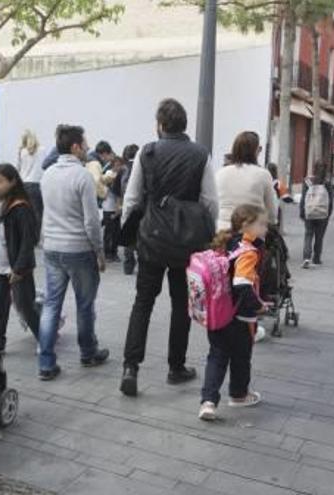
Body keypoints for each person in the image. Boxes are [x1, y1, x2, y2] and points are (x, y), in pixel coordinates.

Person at [119, 98, 219, 397]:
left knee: (143, 303)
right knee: (180, 305)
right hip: (186, 242)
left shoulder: (146, 152)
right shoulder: (201, 155)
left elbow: (132, 198)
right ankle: (176, 367)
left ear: (160, 125)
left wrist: (128, 234)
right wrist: (204, 232)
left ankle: (131, 368)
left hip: (152, 237)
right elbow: (211, 202)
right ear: (184, 124)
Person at [38, 124, 110, 380]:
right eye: (85, 144)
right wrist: (100, 252)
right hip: (79, 249)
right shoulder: (82, 177)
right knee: (84, 304)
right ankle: (88, 352)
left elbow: (47, 213)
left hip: (52, 248)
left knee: (51, 305)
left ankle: (46, 363)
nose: (88, 148)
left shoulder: (47, 175)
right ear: (75, 147)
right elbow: (91, 222)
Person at [198, 204, 267, 421]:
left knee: (216, 357)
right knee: (241, 357)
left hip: (216, 313)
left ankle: (208, 402)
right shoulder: (247, 251)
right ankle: (238, 395)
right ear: (246, 225)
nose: (265, 228)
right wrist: (258, 306)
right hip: (239, 317)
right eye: (262, 224)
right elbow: (241, 283)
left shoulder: (224, 243)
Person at [0, 164, 41, 352]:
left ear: (13, 181)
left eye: (0, 182)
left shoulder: (20, 207)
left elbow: (27, 241)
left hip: (17, 269)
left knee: (26, 307)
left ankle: (43, 338)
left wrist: (19, 269)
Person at [215, 132, 277, 230]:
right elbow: (271, 211)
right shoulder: (263, 174)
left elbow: (214, 203)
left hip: (222, 229)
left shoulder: (220, 173)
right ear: (255, 151)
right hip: (251, 230)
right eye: (259, 148)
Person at [299, 160, 333, 268]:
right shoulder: (327, 183)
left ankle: (306, 258)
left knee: (308, 234)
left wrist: (302, 211)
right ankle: (317, 258)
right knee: (319, 236)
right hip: (323, 214)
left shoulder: (308, 181)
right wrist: (329, 213)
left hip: (309, 212)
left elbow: (303, 198)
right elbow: (330, 200)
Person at [17, 130, 44, 233]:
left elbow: (18, 168)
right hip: (36, 185)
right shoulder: (42, 150)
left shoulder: (22, 151)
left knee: (25, 212)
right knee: (37, 213)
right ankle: (35, 236)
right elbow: (44, 166)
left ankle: (25, 235)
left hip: (23, 184)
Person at [120, 144, 140, 275]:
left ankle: (128, 265)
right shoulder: (142, 167)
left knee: (128, 237)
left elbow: (120, 188)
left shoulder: (124, 170)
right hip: (141, 207)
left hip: (127, 205)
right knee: (140, 237)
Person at [102, 156, 125, 262]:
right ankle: (107, 253)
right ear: (113, 165)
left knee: (116, 232)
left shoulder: (122, 175)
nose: (118, 167)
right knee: (108, 232)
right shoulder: (108, 174)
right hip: (108, 207)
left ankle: (114, 252)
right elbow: (106, 186)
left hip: (118, 208)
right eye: (117, 165)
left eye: (120, 165)